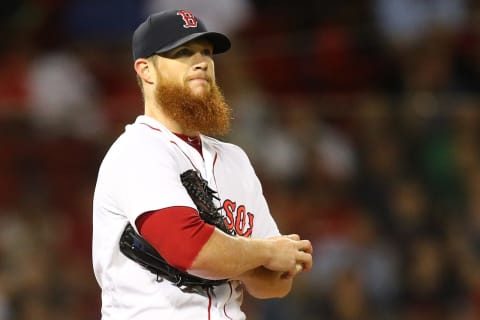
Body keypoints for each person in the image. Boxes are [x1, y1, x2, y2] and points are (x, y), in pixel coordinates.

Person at [92, 9, 313, 320]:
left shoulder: (234, 160)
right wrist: (263, 252)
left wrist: (252, 258)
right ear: (146, 70)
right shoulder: (137, 150)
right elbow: (189, 249)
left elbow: (273, 284)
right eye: (183, 52)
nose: (202, 62)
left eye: (206, 52)